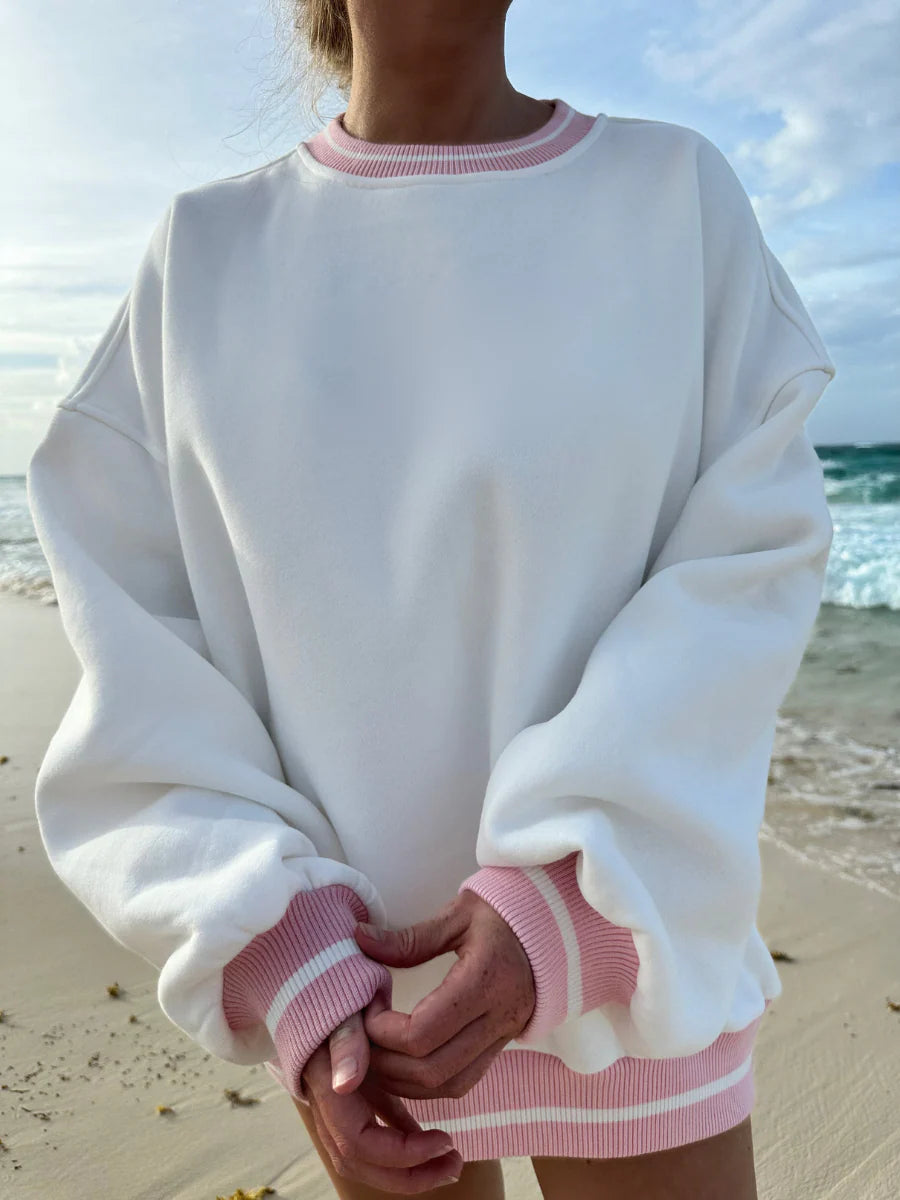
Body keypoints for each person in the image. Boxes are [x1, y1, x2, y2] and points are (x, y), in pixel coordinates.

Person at [26, 1, 836, 1197]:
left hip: (637, 965)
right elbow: (140, 645)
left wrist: (576, 898)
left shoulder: (675, 199)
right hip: (360, 1012)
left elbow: (750, 557)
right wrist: (279, 947)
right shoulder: (201, 259)